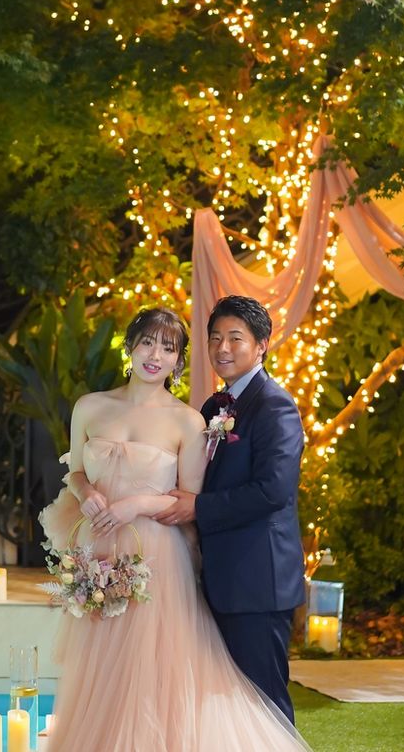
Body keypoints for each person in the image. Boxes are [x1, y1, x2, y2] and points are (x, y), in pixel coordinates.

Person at [39, 306, 310, 752]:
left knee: (180, 681)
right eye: (147, 343)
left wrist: (140, 504)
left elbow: (215, 497)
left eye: (167, 348)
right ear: (130, 347)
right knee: (104, 674)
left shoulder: (207, 417)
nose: (155, 355)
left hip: (171, 561)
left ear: (178, 361)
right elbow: (76, 470)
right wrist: (85, 491)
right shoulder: (100, 406)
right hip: (100, 554)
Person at [156, 295, 306, 723]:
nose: (223, 348)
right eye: (215, 338)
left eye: (235, 338)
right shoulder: (212, 407)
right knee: (227, 709)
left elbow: (272, 491)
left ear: (261, 345)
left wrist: (198, 508)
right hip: (219, 577)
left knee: (265, 702)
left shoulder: (275, 406)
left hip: (257, 581)